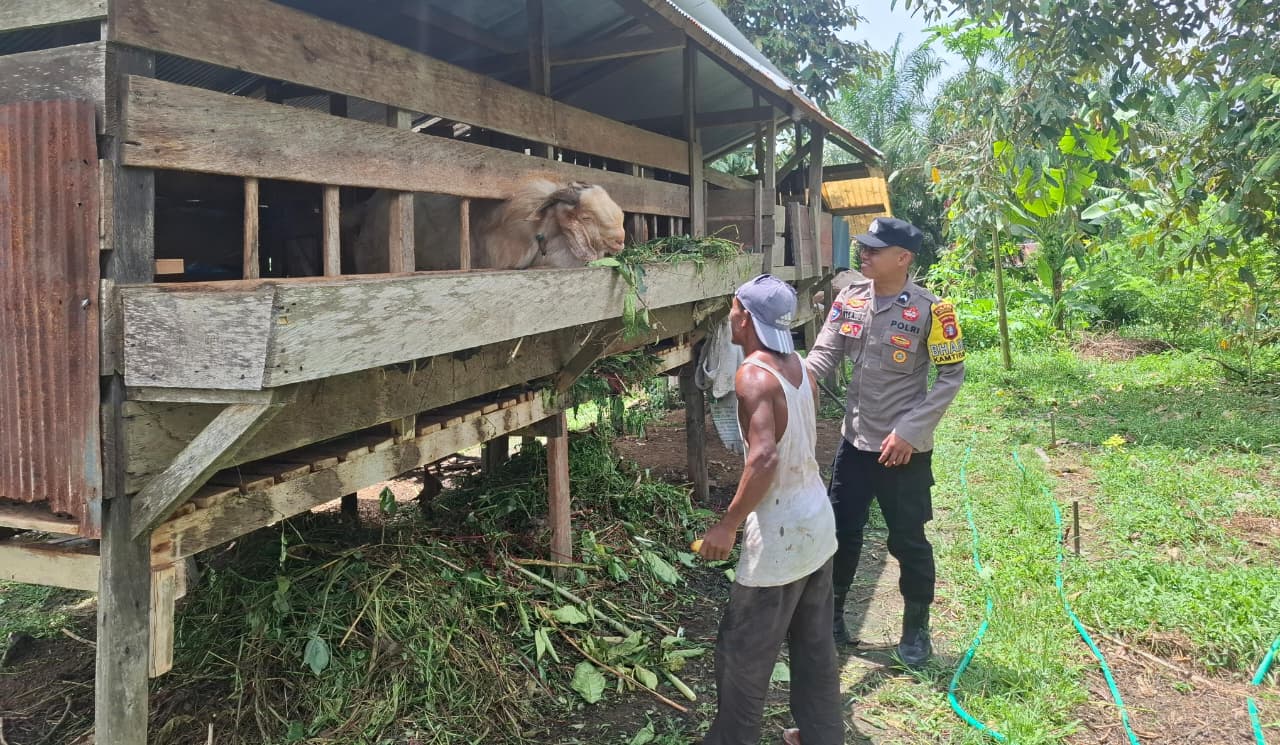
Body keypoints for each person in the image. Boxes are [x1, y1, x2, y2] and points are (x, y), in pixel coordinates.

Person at [804, 217, 965, 667]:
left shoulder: (934, 311)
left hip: (902, 449)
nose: (865, 255)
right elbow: (824, 353)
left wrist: (911, 432)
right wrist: (793, 379)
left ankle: (916, 629)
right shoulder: (850, 299)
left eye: (875, 249)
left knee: (908, 539)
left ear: (904, 258)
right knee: (840, 531)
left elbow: (951, 375)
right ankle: (831, 618)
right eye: (864, 248)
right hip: (854, 442)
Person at [698, 274, 844, 745]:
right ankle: (823, 736)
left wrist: (727, 525)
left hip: (780, 536)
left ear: (744, 314)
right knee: (814, 647)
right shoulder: (799, 366)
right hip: (816, 524)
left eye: (734, 307)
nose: (730, 315)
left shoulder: (753, 376)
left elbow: (763, 458)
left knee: (742, 654)